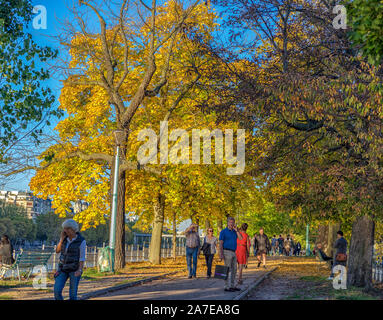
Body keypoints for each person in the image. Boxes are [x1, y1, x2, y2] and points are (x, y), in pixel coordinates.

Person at [54, 219, 86, 300]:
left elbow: (82, 258)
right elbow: (57, 251)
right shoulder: (64, 239)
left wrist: (80, 270)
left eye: (68, 228)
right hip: (62, 269)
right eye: (64, 228)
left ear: (73, 229)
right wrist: (61, 240)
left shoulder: (81, 241)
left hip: (74, 270)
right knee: (57, 291)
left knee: (72, 295)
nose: (65, 231)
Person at [219, 217, 243, 292]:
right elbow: (220, 243)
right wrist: (221, 254)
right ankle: (226, 286)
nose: (231, 224)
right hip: (226, 251)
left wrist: (237, 231)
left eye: (233, 222)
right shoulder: (223, 231)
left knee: (234, 269)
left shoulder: (234, 232)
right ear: (227, 223)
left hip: (233, 252)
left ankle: (232, 285)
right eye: (230, 222)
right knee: (227, 269)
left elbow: (241, 238)